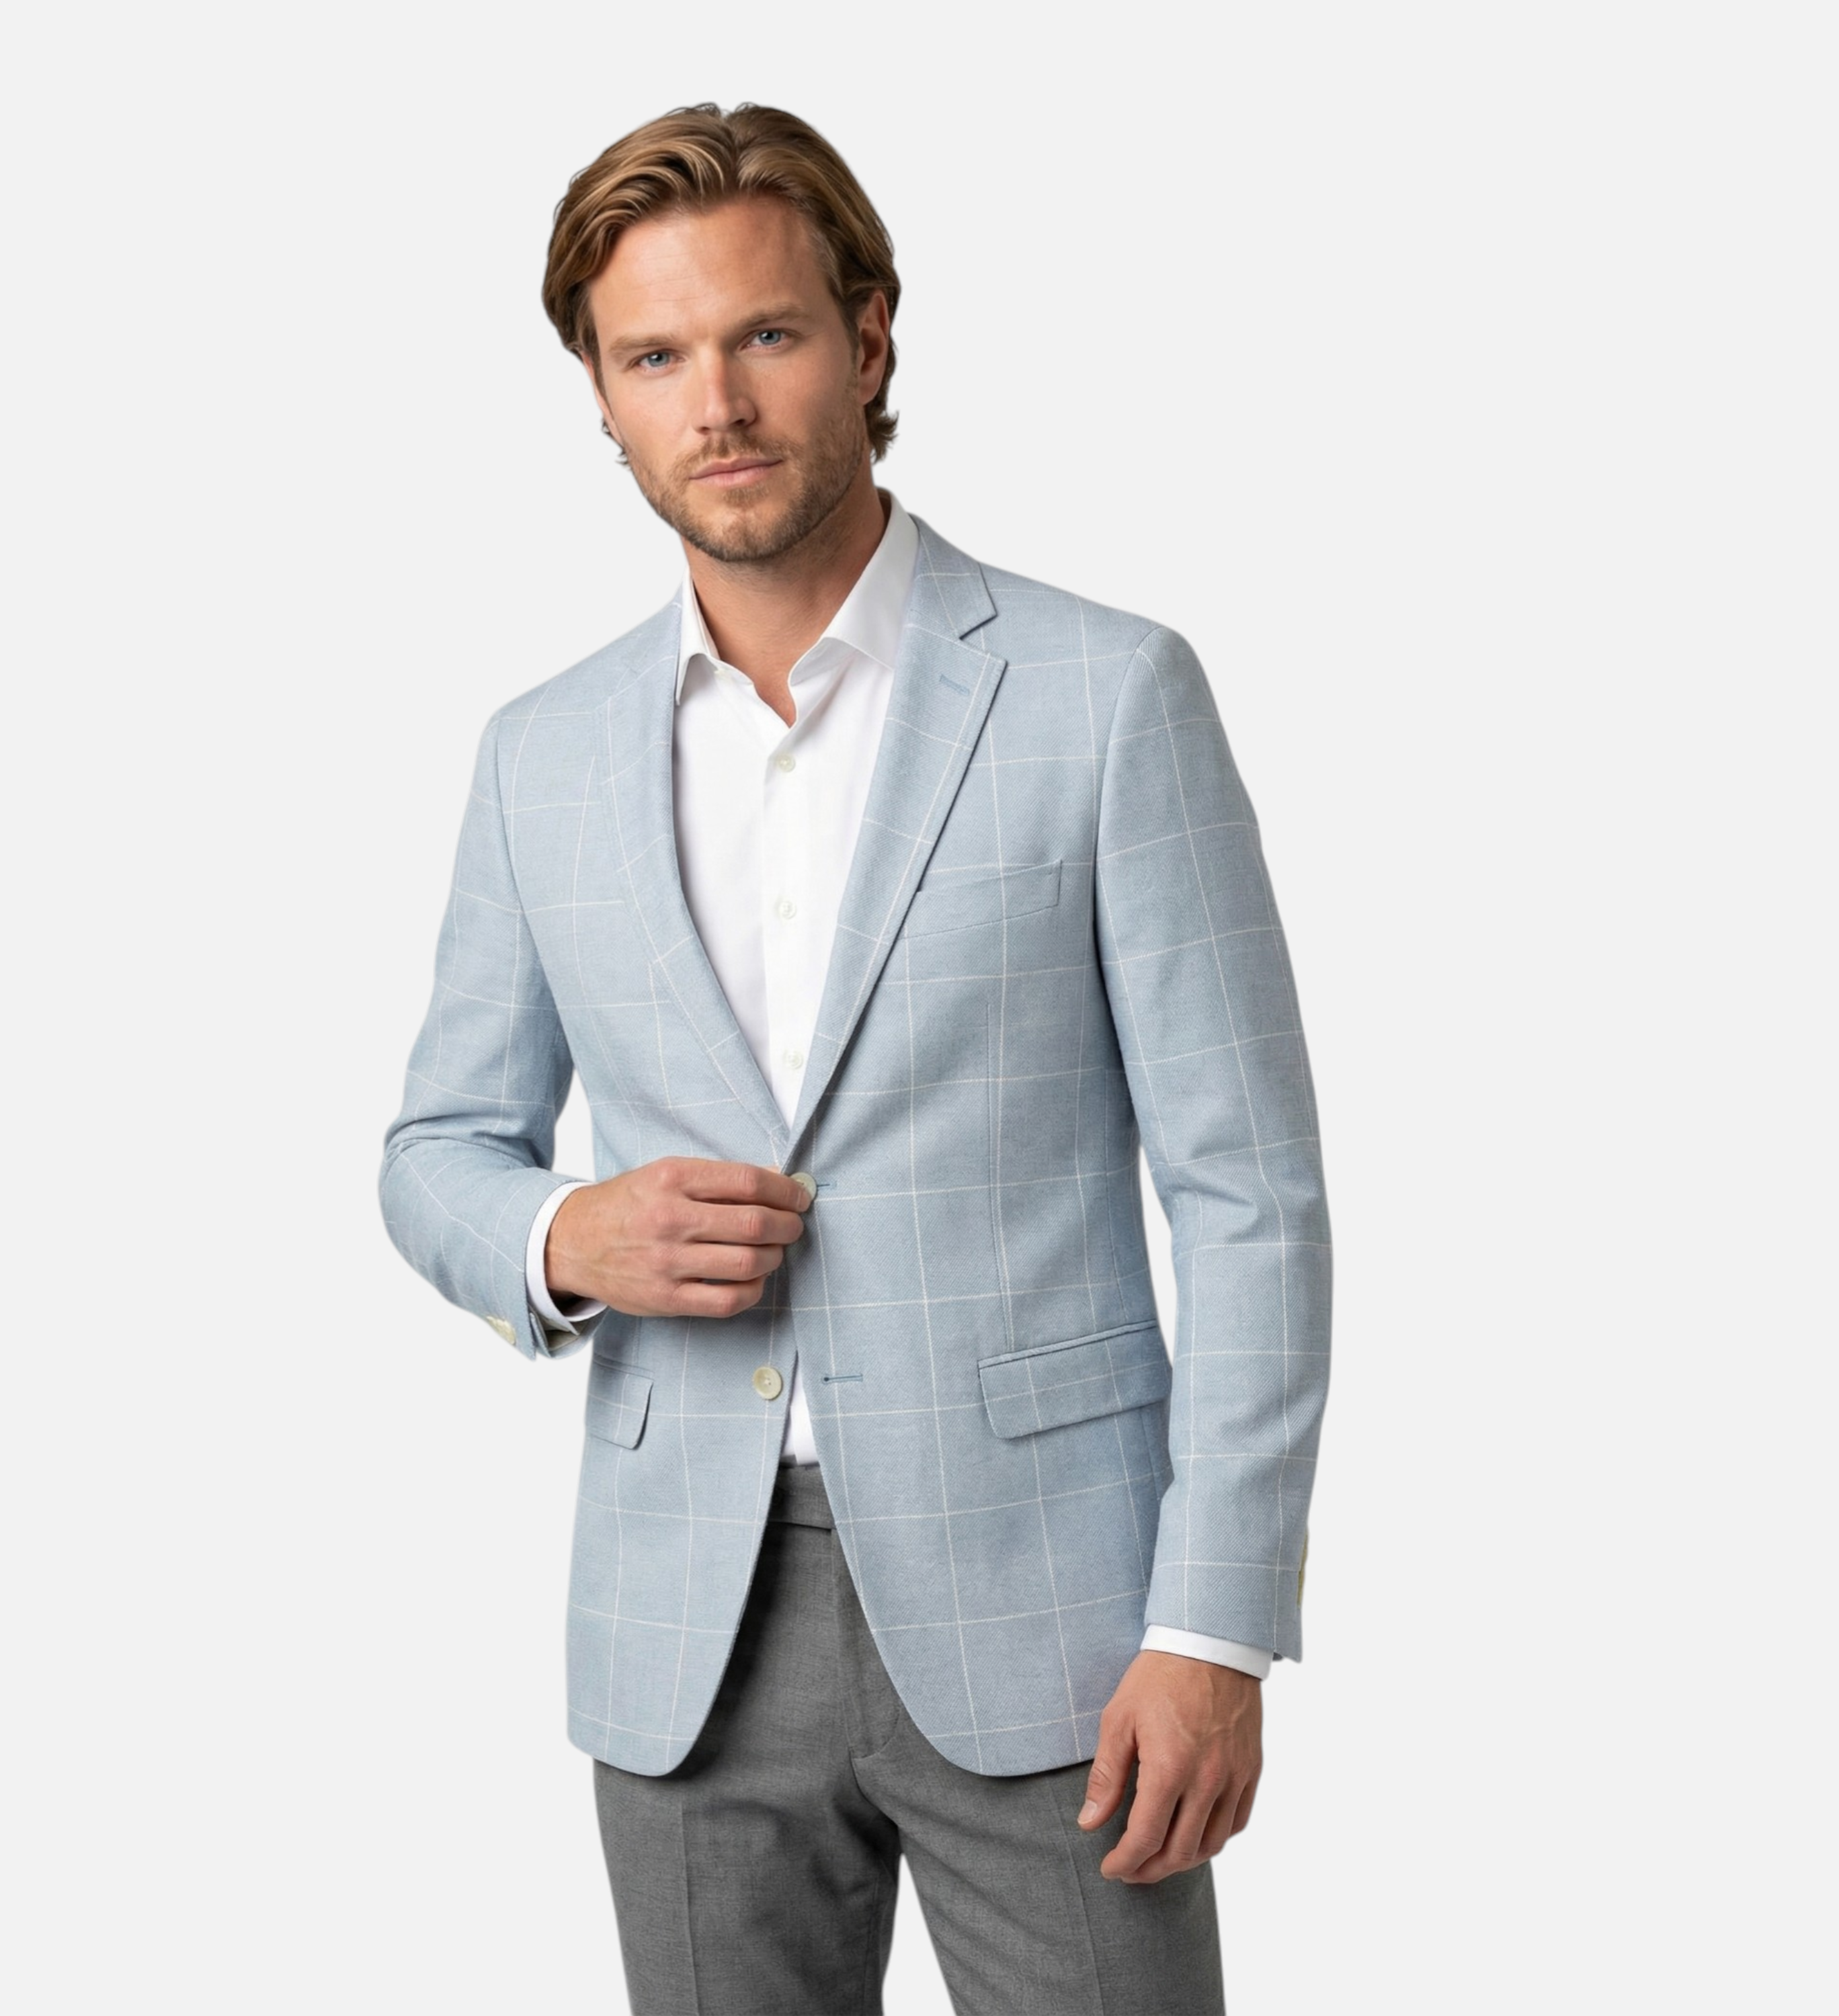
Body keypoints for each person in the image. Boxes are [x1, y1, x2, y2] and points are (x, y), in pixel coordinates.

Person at [379, 99, 1332, 2016]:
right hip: (689, 1628)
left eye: (767, 334)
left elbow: (1250, 1198)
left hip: (1066, 1621)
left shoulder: (1104, 694)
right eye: (655, 357)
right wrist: (568, 1237)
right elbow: (437, 1148)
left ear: (872, 335)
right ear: (601, 398)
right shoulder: (541, 755)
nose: (717, 404)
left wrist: (1215, 1622)